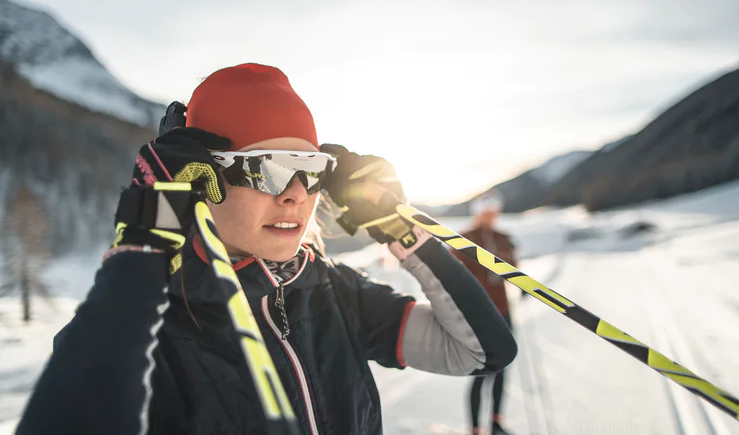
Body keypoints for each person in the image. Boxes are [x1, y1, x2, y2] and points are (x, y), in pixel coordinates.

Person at [15, 63, 517, 435]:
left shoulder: (330, 293)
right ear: (202, 181)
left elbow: (480, 350)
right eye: (269, 168)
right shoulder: (156, 323)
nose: (296, 193)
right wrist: (147, 240)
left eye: (312, 169)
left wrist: (403, 232)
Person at [453, 191, 520, 435]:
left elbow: (515, 269)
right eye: (486, 214)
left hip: (502, 310)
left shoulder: (503, 238)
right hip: (479, 314)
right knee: (481, 370)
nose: (490, 218)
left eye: (494, 214)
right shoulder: (464, 239)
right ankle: (474, 427)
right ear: (478, 214)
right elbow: (453, 273)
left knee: (503, 367)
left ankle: (495, 422)